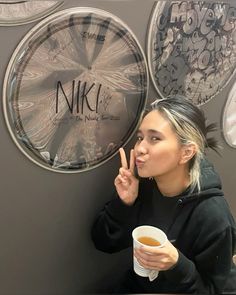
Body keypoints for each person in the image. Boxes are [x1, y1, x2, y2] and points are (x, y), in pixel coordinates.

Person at [91, 95, 236, 294]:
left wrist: (178, 265)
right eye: (140, 137)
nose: (140, 148)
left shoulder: (213, 217)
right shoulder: (145, 186)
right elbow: (104, 243)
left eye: (155, 138)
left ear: (186, 152)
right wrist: (124, 203)